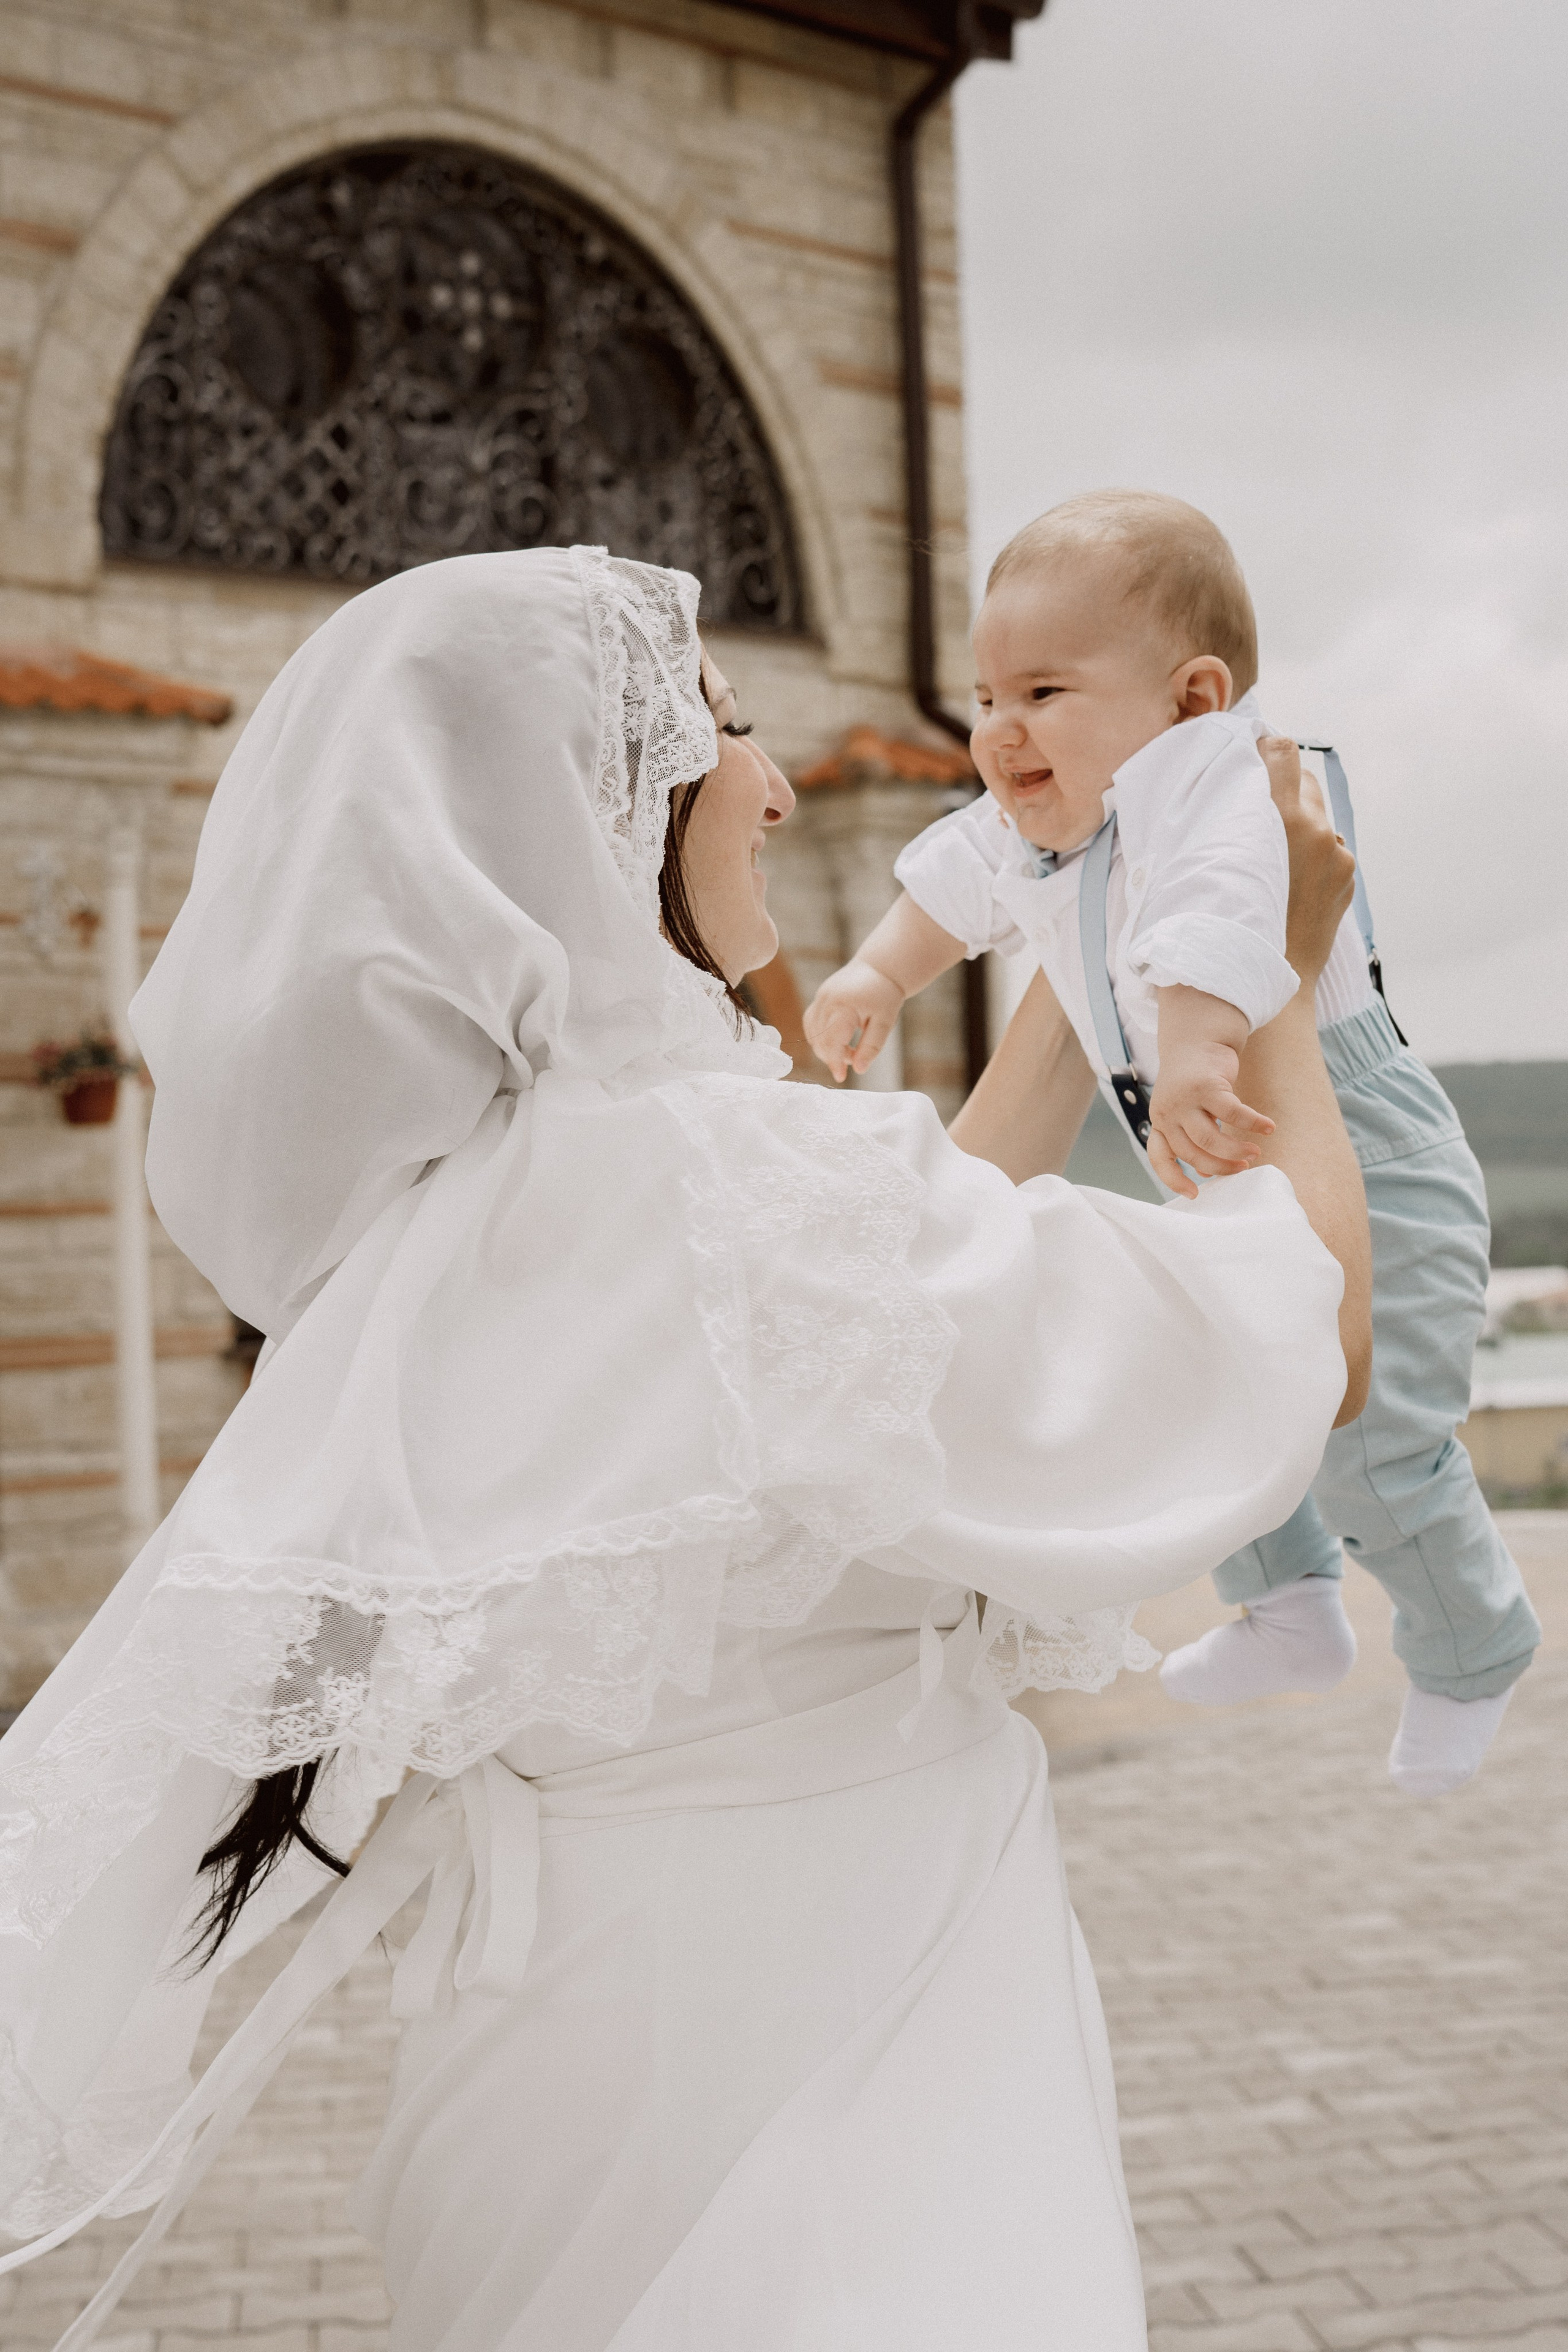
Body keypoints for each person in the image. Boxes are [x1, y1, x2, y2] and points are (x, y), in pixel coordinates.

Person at [0, 545, 1366, 2352]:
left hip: (545, 2071)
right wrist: (1265, 957)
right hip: (844, 2036)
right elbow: (1313, 1340)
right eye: (724, 728)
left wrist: (1092, 943)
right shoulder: (759, 1194)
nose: (781, 781)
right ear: (597, 809)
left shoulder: (435, 1237)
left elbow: (870, 1307)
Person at [805, 490, 1538, 1800]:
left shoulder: (1221, 787)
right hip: (1204, 1140)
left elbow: (1224, 907)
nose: (998, 729)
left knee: (1373, 1438)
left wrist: (1196, 1045)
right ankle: (1289, 1611)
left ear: (1192, 701)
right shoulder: (1055, 819)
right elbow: (949, 881)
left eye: (1040, 689)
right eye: (982, 695)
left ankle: (1469, 1645)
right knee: (1223, 1381)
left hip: (1355, 1141)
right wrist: (874, 975)